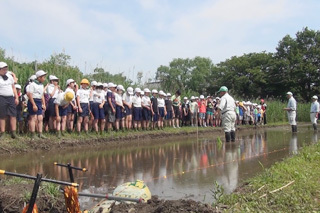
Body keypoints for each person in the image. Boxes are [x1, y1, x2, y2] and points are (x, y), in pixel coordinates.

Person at [0, 62, 19, 139]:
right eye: (4, 69)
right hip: (1, 97)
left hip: (10, 97)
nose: (5, 71)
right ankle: (3, 133)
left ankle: (13, 133)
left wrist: (16, 97)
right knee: (2, 116)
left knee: (13, 115)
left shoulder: (9, 76)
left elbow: (13, 87)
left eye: (6, 69)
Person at [27, 70, 47, 139]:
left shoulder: (41, 85)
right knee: (33, 117)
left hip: (39, 101)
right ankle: (33, 134)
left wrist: (43, 104)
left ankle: (40, 133)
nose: (44, 79)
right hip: (33, 100)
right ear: (39, 77)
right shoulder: (32, 84)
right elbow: (30, 94)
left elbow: (42, 95)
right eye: (43, 77)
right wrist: (33, 105)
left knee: (40, 118)